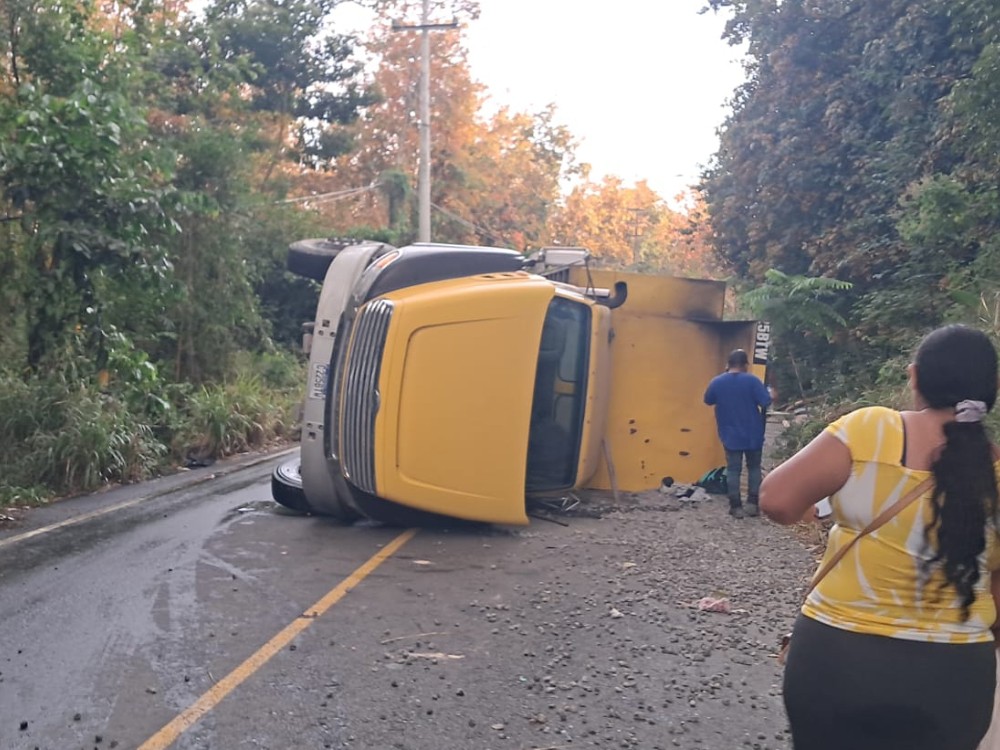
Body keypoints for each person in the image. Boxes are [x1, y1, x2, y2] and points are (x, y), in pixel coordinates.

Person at [759, 324, 1000, 750]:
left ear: (914, 377)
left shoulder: (871, 428)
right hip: (957, 673)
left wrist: (822, 513)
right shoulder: (993, 469)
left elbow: (777, 500)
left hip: (841, 657)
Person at [703, 348, 772, 518]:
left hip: (730, 433)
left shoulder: (717, 382)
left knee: (733, 469)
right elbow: (765, 401)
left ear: (728, 364)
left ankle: (736, 507)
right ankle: (752, 504)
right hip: (753, 433)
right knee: (754, 468)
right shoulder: (753, 381)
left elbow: (708, 400)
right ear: (745, 365)